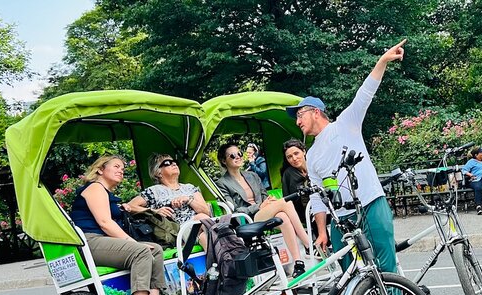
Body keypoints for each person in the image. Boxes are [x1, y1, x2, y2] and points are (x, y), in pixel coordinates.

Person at [285, 39, 408, 274]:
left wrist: (382, 61)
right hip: (341, 219)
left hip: (371, 203)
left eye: (300, 114)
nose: (298, 121)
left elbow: (366, 92)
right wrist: (322, 231)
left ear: (316, 112)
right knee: (350, 274)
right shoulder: (310, 154)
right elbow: (319, 196)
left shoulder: (345, 124)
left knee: (386, 265)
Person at [69, 155, 177, 295]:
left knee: (155, 249)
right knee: (141, 251)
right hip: (90, 241)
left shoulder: (107, 194)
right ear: (100, 169)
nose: (121, 170)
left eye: (123, 168)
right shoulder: (95, 188)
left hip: (104, 240)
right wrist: (132, 242)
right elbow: (104, 222)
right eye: (116, 166)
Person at [215, 142, 311, 277]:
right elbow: (234, 210)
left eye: (239, 153)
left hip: (264, 212)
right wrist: (259, 206)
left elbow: (264, 195)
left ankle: (298, 263)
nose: (238, 157)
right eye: (232, 155)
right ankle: (309, 244)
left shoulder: (252, 175)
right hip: (248, 218)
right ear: (224, 161)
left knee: (283, 216)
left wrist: (268, 202)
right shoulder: (222, 183)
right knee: (287, 203)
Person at [128, 154, 211, 249]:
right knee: (202, 218)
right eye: (167, 163)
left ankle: (223, 262)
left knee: (205, 236)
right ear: (158, 173)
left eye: (175, 162)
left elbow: (207, 211)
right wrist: (155, 211)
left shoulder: (190, 188)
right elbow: (130, 206)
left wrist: (188, 200)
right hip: (178, 231)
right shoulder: (154, 191)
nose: (174, 164)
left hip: (201, 229)